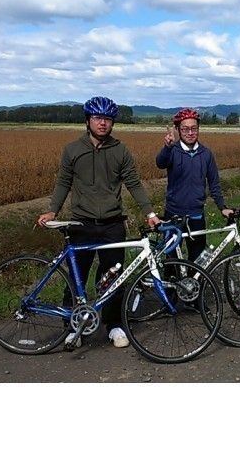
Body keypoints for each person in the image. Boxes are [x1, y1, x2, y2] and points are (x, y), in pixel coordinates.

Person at [37, 96, 161, 349]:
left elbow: (133, 183)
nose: (103, 123)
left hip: (112, 223)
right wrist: (52, 211)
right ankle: (73, 326)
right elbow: (63, 182)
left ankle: (114, 325)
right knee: (77, 277)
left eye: (107, 119)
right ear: (88, 121)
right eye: (97, 118)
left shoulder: (120, 150)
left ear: (112, 122)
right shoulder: (73, 150)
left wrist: (149, 212)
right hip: (81, 223)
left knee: (113, 276)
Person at [156, 108, 234, 261]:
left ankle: (194, 284)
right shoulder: (173, 150)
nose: (190, 133)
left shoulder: (206, 154)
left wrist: (222, 207)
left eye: (194, 128)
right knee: (171, 259)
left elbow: (214, 183)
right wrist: (167, 147)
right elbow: (160, 163)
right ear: (178, 130)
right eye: (185, 129)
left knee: (197, 259)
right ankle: (172, 283)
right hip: (173, 214)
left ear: (198, 129)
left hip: (196, 215)